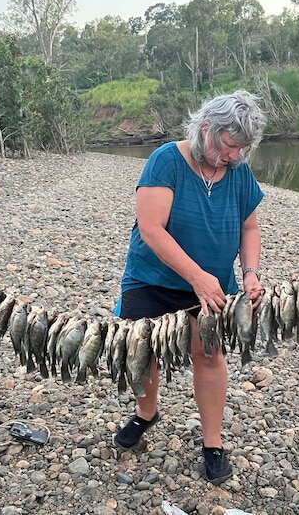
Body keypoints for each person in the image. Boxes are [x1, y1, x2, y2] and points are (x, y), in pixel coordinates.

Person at [113, 90, 267, 484]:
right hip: (153, 279)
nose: (234, 156)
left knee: (208, 355)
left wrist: (250, 272)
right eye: (229, 146)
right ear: (205, 130)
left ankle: (212, 443)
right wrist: (196, 276)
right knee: (142, 351)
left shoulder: (238, 172)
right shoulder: (166, 160)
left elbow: (249, 227)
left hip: (213, 285)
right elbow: (150, 229)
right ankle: (146, 414)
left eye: (242, 149)